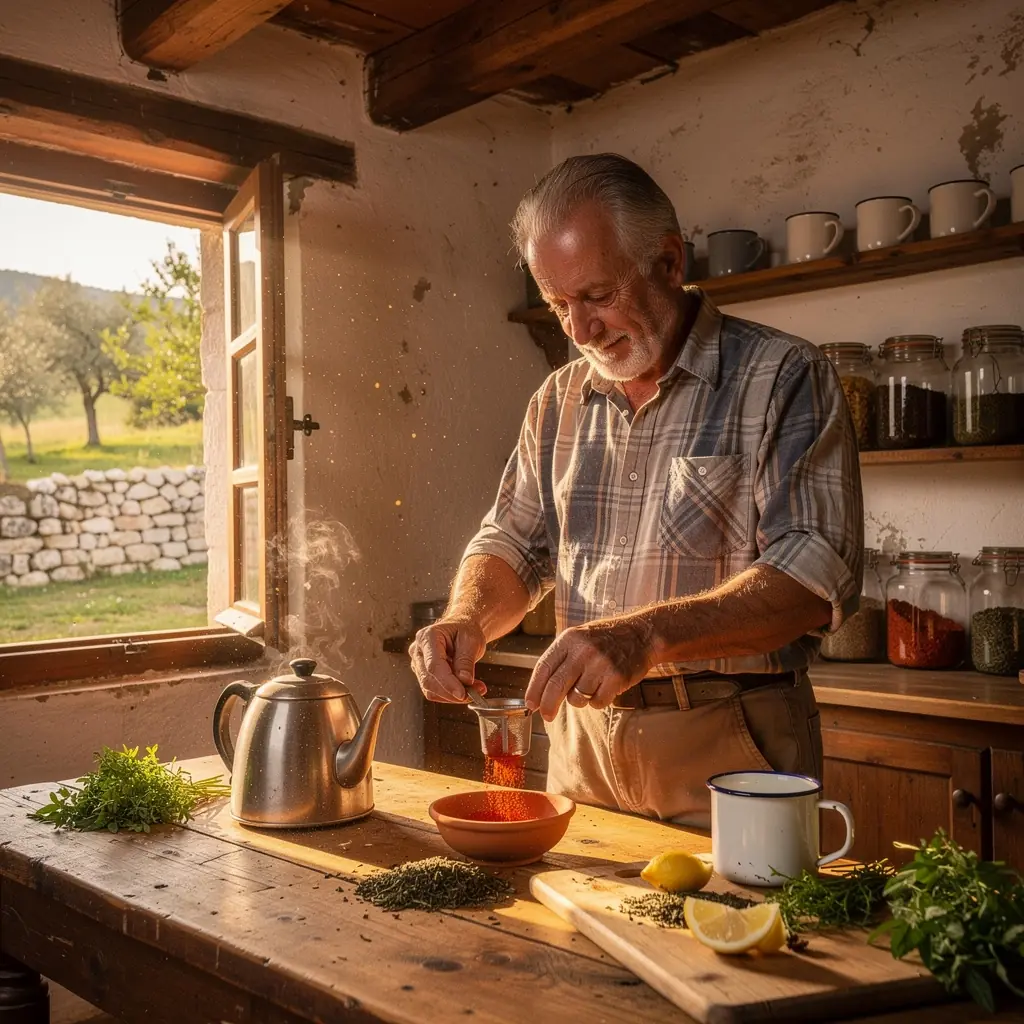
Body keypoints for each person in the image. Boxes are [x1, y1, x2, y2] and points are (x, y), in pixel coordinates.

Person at [408, 153, 863, 827]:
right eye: (559, 304)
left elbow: (815, 575)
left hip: (729, 739)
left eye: (597, 296)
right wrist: (466, 618)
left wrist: (646, 637)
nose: (580, 330)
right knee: (568, 931)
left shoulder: (783, 376)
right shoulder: (557, 399)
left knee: (740, 930)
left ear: (670, 264)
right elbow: (514, 540)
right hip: (582, 745)